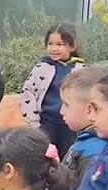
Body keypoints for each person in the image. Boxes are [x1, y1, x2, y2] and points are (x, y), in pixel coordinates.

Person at [20, 23, 86, 158]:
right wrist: (34, 122)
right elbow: (28, 93)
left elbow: (87, 98)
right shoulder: (41, 68)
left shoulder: (81, 71)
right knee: (43, 158)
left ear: (72, 47)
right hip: (46, 124)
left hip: (70, 127)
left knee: (68, 159)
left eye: (59, 44)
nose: (54, 48)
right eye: (50, 44)